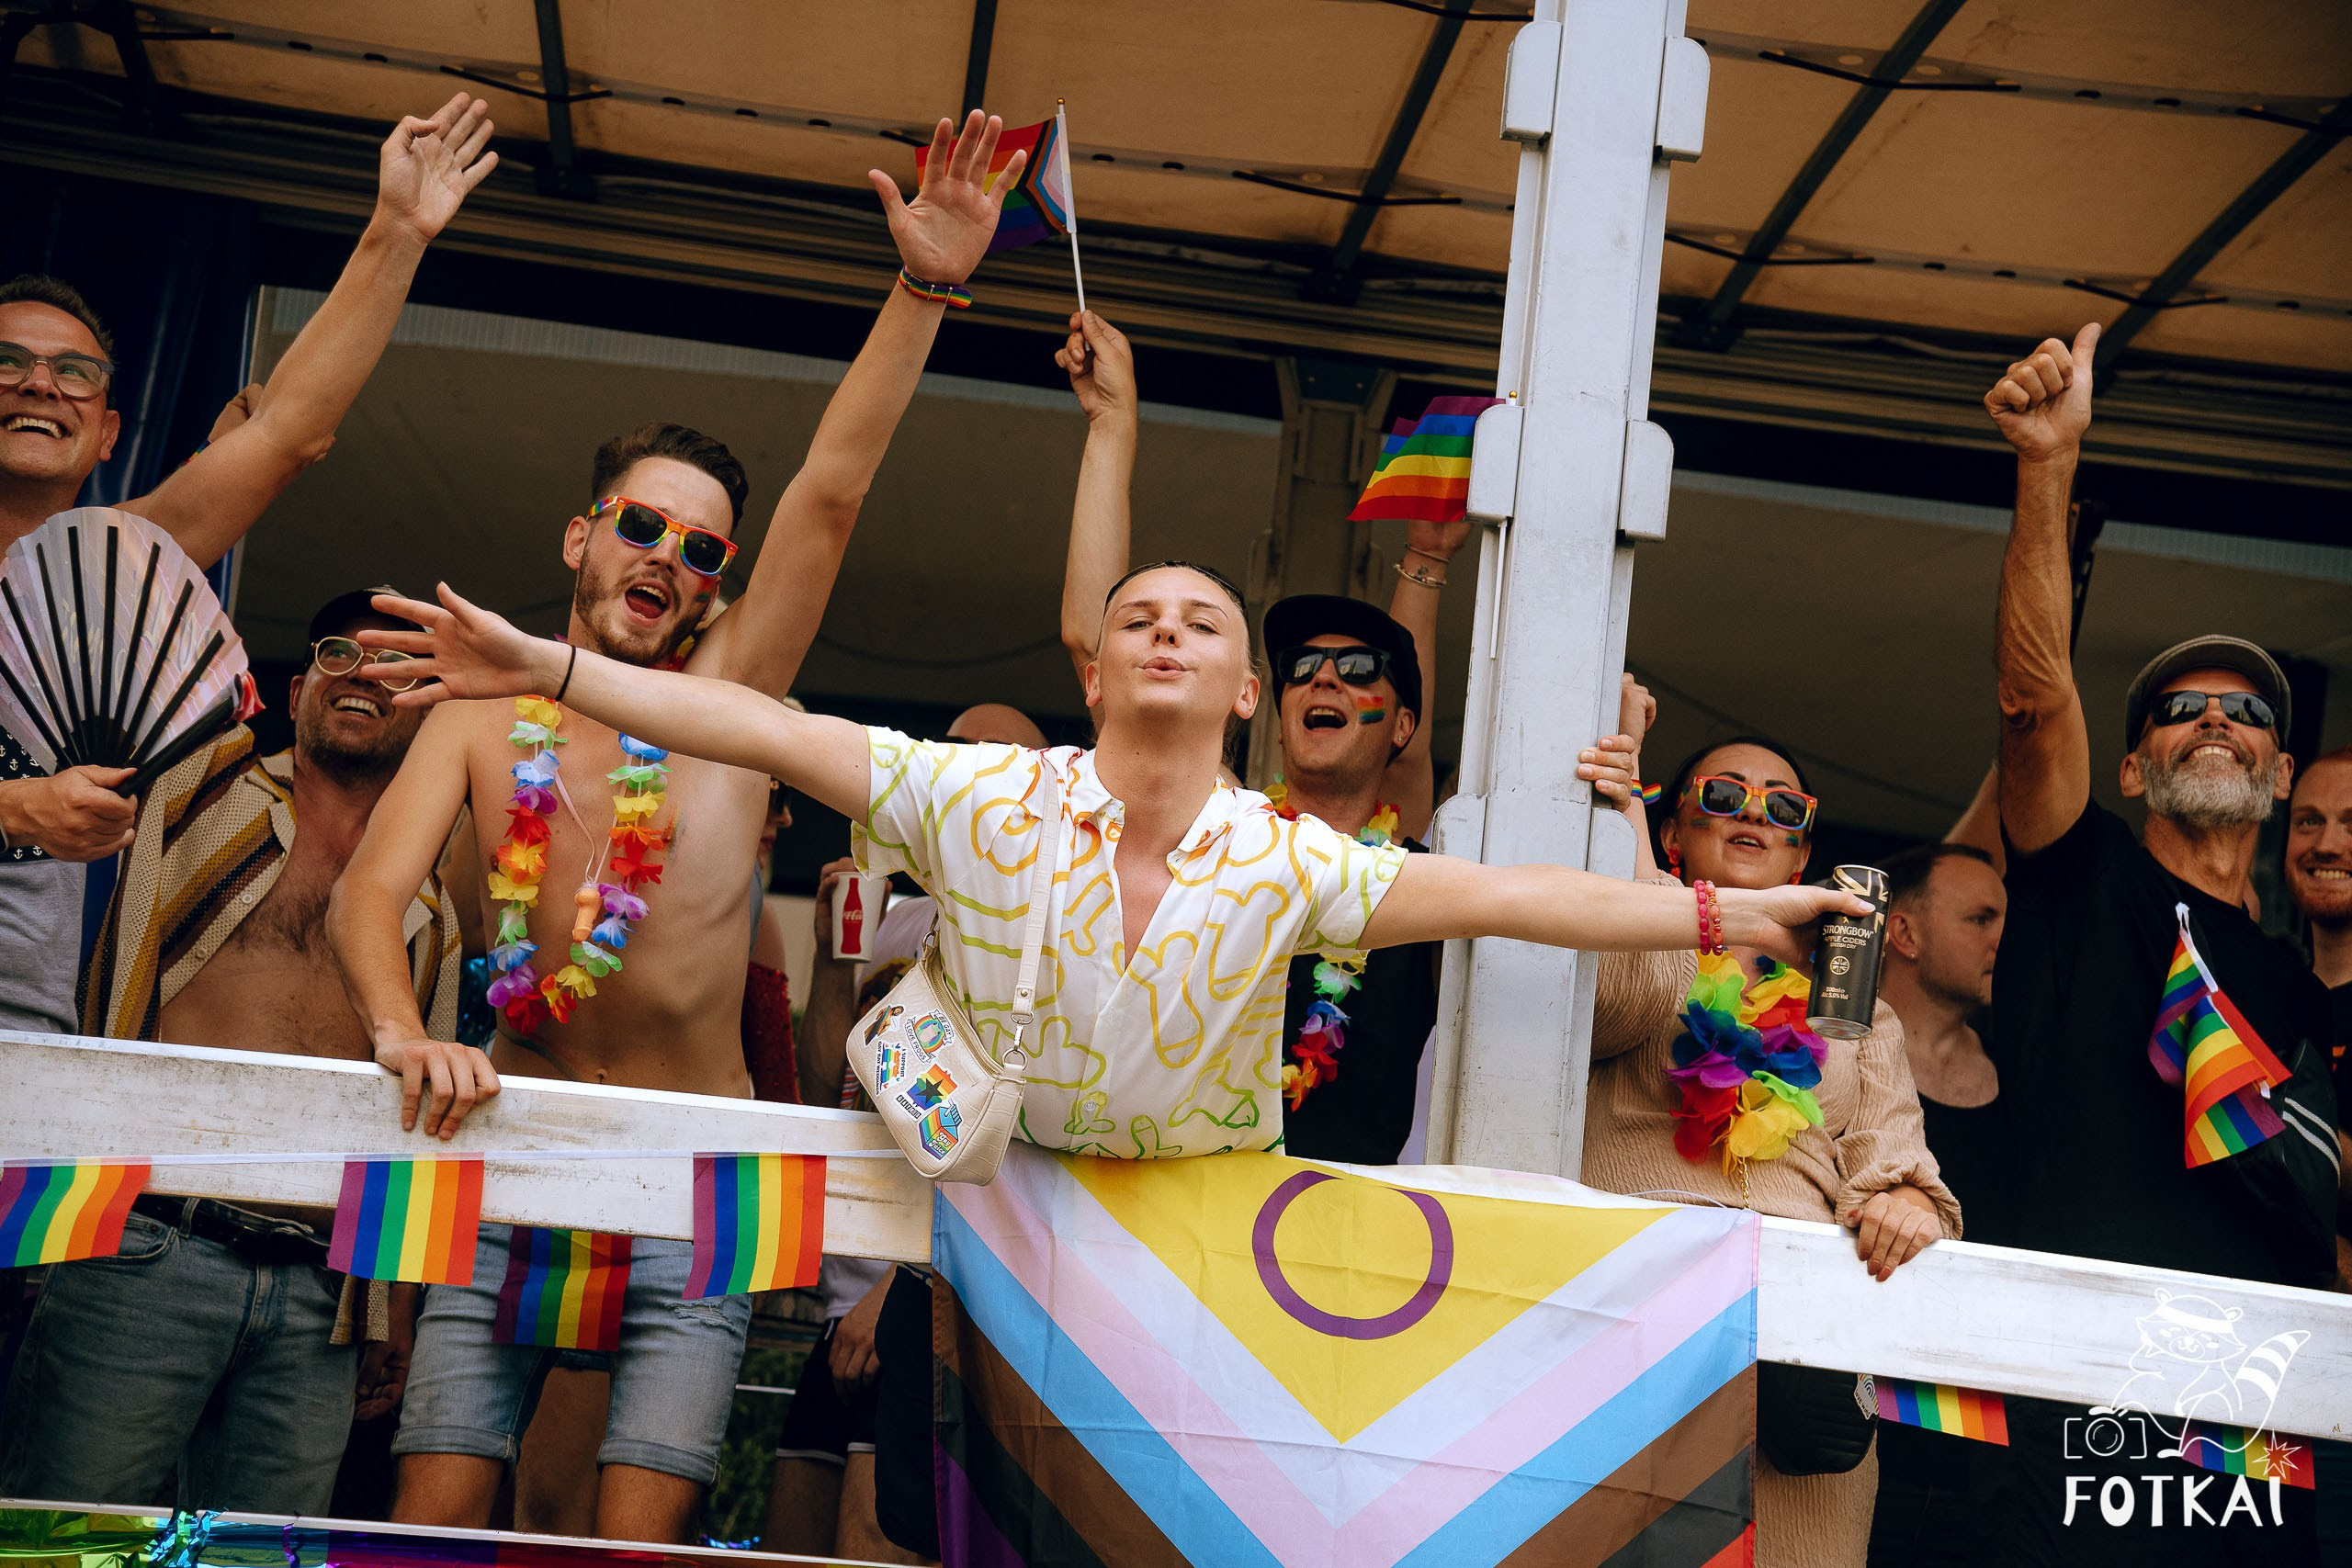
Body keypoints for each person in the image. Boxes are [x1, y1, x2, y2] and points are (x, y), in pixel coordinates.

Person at [324, 110, 1031, 1546]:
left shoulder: (732, 704)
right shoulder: (475, 711)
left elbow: (829, 494)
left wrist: (926, 289)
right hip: (499, 1149)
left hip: (689, 1181)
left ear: (715, 593)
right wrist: (406, 1028)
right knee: (438, 1510)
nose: (669, 558)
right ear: (584, 537)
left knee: (635, 1537)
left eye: (703, 551)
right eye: (643, 525)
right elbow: (365, 897)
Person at [0, 93, 495, 1040]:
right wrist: (18, 806)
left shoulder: (122, 563)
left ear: (107, 429)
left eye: (73, 373)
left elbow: (289, 430)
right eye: (8, 361)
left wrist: (396, 230)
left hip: (36, 1032)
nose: (37, 383)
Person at [1971, 324, 2337, 1565]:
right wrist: (2046, 468)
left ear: (2282, 776)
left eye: (2247, 712)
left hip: (2266, 1421)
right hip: (2086, 1394)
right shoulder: (2089, 877)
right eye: (2183, 711)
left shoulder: (2310, 990)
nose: (2218, 722)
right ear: (2134, 765)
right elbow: (2034, 699)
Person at [0, 588, 457, 1514]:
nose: (364, 676)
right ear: (293, 692)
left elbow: (424, 1116)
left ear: (428, 715)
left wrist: (392, 1306)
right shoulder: (198, 789)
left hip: (321, 1295)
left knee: (254, 1555)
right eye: (339, 654)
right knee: (71, 1538)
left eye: (396, 668)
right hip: (146, 1245)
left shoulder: (432, 901)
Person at [1052, 310, 1461, 1161]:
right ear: (1261, 704)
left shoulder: (1407, 869)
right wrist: (1111, 429)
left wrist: (1426, 557)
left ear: (1401, 725)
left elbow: (1413, 766)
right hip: (1193, 1204)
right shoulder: (1223, 825)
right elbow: (1098, 640)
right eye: (1305, 666)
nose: (1323, 680)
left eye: (1358, 673)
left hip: (1354, 1238)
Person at [1577, 682, 1957, 1568]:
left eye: (1783, 807)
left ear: (1802, 852)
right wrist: (1633, 830)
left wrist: (1906, 1202)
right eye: (1720, 796)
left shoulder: (1855, 1005)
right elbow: (1623, 1002)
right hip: (1636, 1341)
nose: (1753, 813)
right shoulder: (1619, 920)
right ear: (1675, 830)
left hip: (1796, 1372)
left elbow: (1896, 1160)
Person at [1867, 840, 2009, 1568]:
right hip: (1851, 1442)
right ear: (1906, 933)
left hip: (1984, 1461)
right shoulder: (1826, 1053)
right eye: (1981, 917)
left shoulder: (2021, 1077)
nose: (2000, 938)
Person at [2281, 746, 2352, 1558]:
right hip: (2251, 1395)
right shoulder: (2262, 986)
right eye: (2309, 820)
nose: (2327, 843)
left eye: (2349, 823)